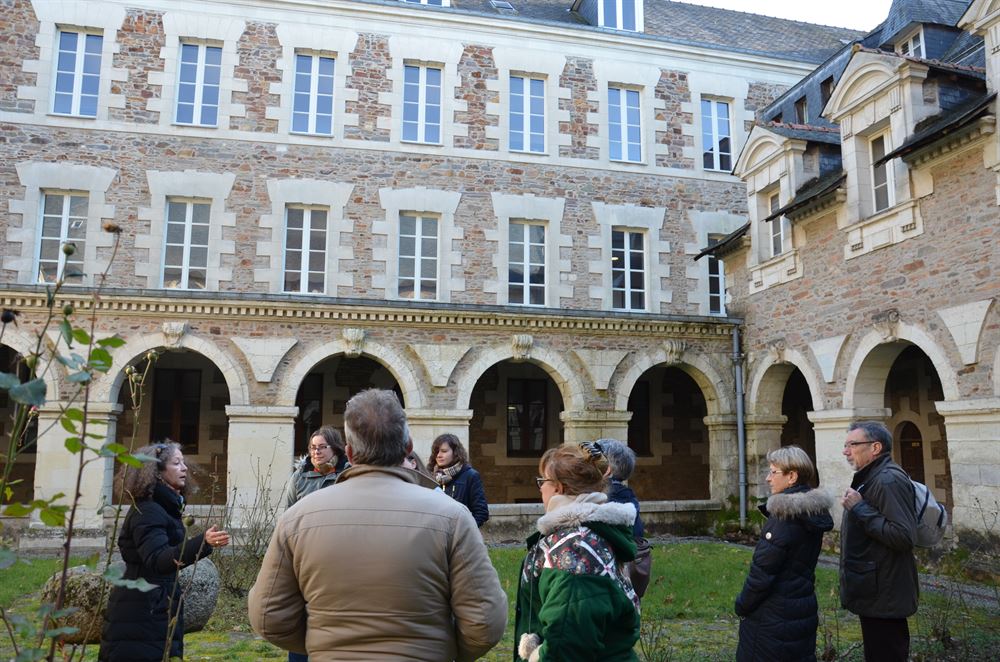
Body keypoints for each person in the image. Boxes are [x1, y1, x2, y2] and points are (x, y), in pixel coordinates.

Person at [249, 389, 507, 661]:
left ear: (348, 451)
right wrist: (441, 649)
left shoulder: (297, 519)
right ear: (408, 446)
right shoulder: (453, 517)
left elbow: (268, 616)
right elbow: (485, 622)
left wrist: (324, 645)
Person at [99, 442, 230, 661]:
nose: (185, 468)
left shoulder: (162, 506)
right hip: (141, 612)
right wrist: (202, 543)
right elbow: (157, 559)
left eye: (183, 462)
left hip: (152, 607)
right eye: (176, 463)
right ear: (157, 473)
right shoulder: (149, 510)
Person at [514, 442, 640, 661]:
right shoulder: (586, 534)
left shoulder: (576, 551)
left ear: (559, 488)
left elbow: (566, 644)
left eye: (542, 481)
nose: (540, 488)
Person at [735, 446, 833, 662]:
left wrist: (742, 604)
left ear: (792, 476)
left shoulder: (784, 517)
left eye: (773, 472)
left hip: (773, 616)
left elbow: (762, 573)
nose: (768, 478)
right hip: (801, 607)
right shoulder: (810, 512)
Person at [839, 421, 919, 662]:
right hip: (875, 589)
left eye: (852, 444)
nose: (846, 451)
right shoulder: (872, 477)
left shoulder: (887, 480)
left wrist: (860, 508)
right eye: (845, 445)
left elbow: (903, 537)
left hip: (885, 592)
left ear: (875, 447)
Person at [595, 438, 652, 598]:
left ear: (608, 469)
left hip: (613, 581)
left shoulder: (611, 497)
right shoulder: (625, 495)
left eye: (597, 459)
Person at [427, 433, 489, 527]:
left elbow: (481, 512)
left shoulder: (470, 476)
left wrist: (465, 532)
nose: (439, 455)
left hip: (460, 537)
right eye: (436, 452)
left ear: (455, 452)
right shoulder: (429, 476)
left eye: (444, 451)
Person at [287, 425, 348, 508]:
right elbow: (289, 512)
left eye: (322, 447)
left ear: (335, 448)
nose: (316, 451)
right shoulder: (299, 477)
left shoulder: (348, 474)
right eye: (313, 447)